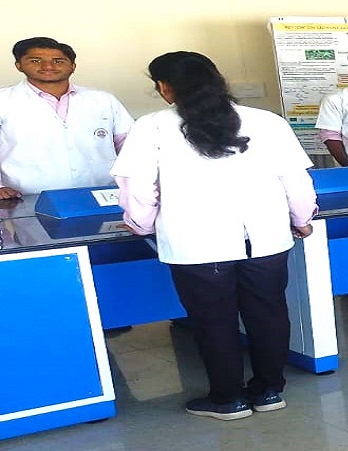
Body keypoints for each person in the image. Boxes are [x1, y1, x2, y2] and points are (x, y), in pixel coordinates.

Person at [111, 51, 317, 421]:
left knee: (213, 321)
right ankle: (269, 391)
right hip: (267, 240)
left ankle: (228, 400)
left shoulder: (152, 126)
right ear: (218, 80)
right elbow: (297, 182)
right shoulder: (267, 121)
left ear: (164, 87)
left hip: (197, 246)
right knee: (269, 314)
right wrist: (302, 219)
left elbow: (139, 191)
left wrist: (141, 225)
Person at [0, 37, 135, 198]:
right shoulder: (4, 100)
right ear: (19, 65)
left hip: (102, 193)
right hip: (24, 197)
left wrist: (136, 183)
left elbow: (131, 145)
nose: (48, 66)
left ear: (73, 66)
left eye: (58, 61)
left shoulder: (103, 100)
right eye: (36, 60)